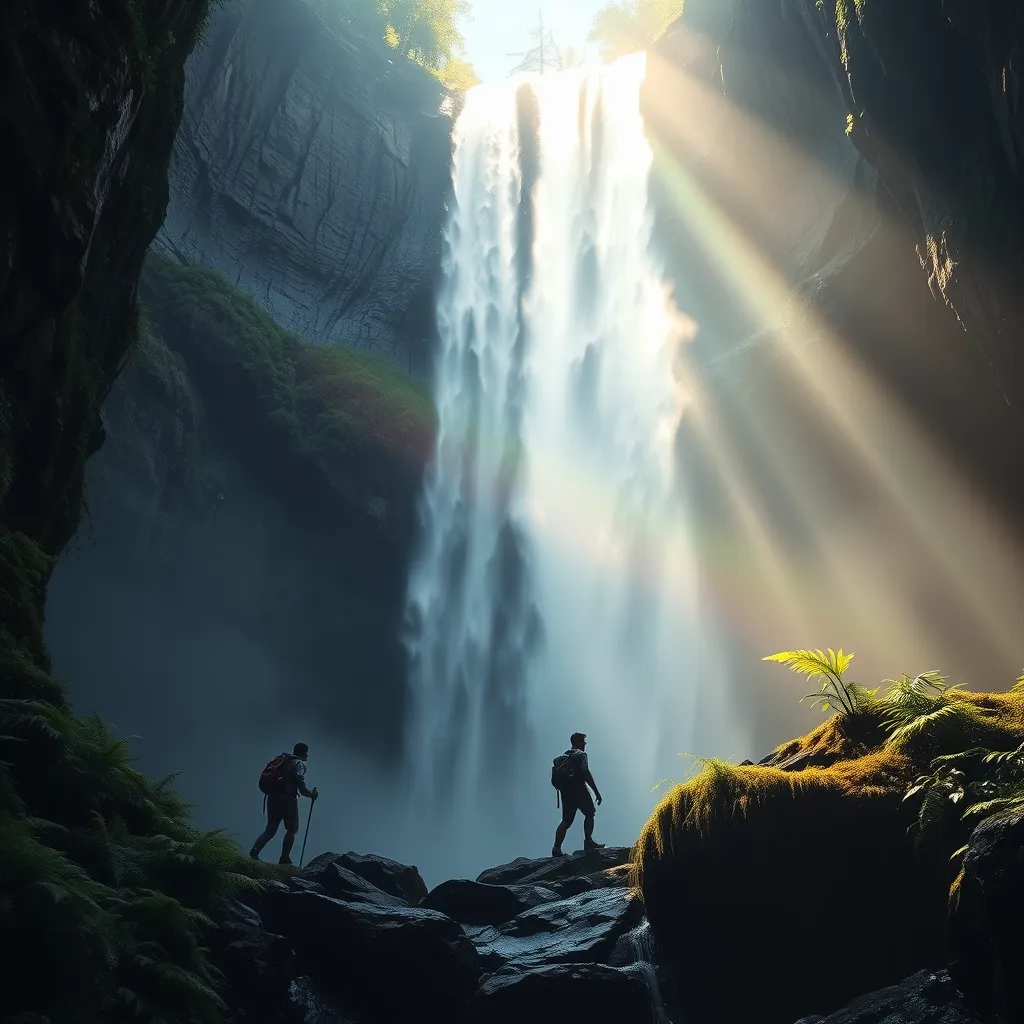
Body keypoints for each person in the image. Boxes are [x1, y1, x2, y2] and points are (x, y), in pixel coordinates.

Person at [250, 742, 318, 865]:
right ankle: (284, 859)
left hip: (272, 796)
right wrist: (311, 795)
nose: (307, 757)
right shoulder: (298, 764)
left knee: (270, 829)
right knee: (292, 829)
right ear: (303, 753)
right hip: (288, 798)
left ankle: (254, 851)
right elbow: (301, 787)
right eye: (306, 754)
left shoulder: (283, 760)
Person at [552, 732, 605, 857]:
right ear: (578, 742)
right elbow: (584, 770)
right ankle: (588, 841)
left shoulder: (562, 757)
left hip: (565, 792)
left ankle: (556, 848)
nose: (585, 744)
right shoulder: (581, 755)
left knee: (566, 821)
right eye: (583, 741)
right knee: (590, 813)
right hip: (579, 789)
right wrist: (596, 791)